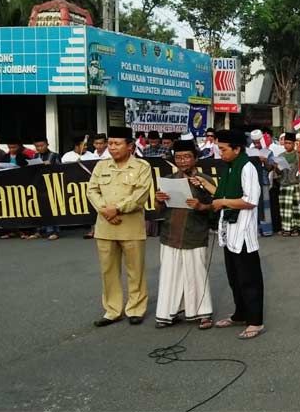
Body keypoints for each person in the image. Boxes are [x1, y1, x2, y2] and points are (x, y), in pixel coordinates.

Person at [191, 129, 265, 339]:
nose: (220, 153)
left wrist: (222, 202)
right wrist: (204, 184)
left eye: (223, 149)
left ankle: (255, 322)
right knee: (235, 278)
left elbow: (250, 200)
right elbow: (222, 193)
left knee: (249, 280)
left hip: (243, 233)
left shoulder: (247, 167)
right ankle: (240, 314)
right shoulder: (230, 167)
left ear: (237, 148)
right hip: (228, 232)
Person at [86, 126, 152, 327]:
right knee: (108, 271)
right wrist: (105, 211)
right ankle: (112, 310)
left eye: (117, 144)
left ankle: (136, 309)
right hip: (105, 227)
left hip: (131, 227)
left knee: (135, 270)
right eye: (110, 143)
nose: (112, 148)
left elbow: (140, 196)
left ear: (130, 146)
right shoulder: (101, 166)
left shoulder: (142, 167)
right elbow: (92, 191)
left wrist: (117, 209)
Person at [154, 140, 215, 329]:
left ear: (195, 158)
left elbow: (215, 206)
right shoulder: (169, 180)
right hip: (170, 233)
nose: (182, 161)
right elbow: (157, 209)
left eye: (187, 157)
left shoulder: (205, 181)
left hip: (194, 233)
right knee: (170, 275)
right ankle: (168, 314)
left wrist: (201, 205)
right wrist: (159, 200)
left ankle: (203, 314)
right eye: (179, 157)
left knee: (197, 274)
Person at [28, 136, 62, 240]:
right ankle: (39, 230)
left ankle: (53, 231)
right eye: (37, 146)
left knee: (51, 208)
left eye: (42, 145)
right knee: (38, 208)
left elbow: (60, 169)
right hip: (38, 184)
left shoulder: (54, 155)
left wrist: (49, 165)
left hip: (51, 185)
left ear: (47, 144)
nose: (39, 148)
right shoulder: (35, 156)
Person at [274, 132, 300, 237]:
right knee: (285, 209)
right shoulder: (280, 156)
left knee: (296, 208)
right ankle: (287, 228)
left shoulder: (298, 155)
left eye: (289, 143)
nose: (287, 145)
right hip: (284, 185)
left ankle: (297, 228)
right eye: (286, 143)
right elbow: (278, 173)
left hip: (295, 185)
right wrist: (277, 167)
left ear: (294, 144)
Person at [249, 129, 274, 237]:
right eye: (255, 142)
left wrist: (265, 161)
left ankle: (267, 229)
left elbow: (270, 168)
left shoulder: (268, 151)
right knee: (254, 205)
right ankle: (255, 229)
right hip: (252, 181)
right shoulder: (249, 151)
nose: (256, 144)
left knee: (265, 207)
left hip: (263, 181)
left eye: (258, 142)